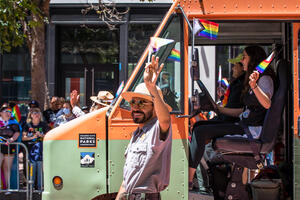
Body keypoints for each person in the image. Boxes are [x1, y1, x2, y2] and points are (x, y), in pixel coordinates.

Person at [188, 45, 276, 189]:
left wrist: (254, 86)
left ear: (253, 59)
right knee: (199, 126)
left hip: (252, 131)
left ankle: (189, 180)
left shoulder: (264, 78)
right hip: (245, 125)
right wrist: (219, 109)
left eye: (244, 57)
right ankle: (195, 173)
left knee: (200, 131)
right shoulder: (256, 79)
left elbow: (267, 104)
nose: (242, 61)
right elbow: (243, 111)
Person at [116, 56, 172, 200]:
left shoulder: (156, 130)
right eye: (133, 102)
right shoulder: (137, 134)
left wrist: (151, 87)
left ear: (155, 108)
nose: (135, 107)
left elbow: (165, 119)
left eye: (142, 103)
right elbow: (127, 180)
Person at [22, 107, 50, 190]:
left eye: (38, 113)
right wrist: (32, 137)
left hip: (41, 151)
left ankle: (40, 187)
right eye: (34, 113)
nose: (36, 115)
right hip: (31, 151)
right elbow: (23, 138)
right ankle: (31, 188)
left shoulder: (43, 124)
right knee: (31, 169)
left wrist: (42, 135)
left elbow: (49, 135)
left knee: (40, 168)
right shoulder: (27, 125)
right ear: (31, 115)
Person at [0, 105, 21, 190]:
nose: (8, 113)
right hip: (0, 147)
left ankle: (7, 188)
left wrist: (11, 139)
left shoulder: (14, 123)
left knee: (7, 168)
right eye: (6, 111)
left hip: (9, 147)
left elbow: (16, 133)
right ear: (1, 113)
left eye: (9, 112)